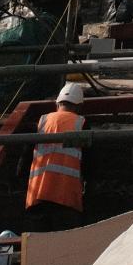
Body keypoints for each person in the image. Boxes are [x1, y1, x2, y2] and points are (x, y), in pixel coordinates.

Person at [24, 81, 86, 230]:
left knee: (37, 249)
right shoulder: (81, 124)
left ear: (57, 103)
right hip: (66, 200)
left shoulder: (43, 122)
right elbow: (91, 164)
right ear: (79, 106)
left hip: (37, 199)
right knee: (66, 250)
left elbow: (26, 158)